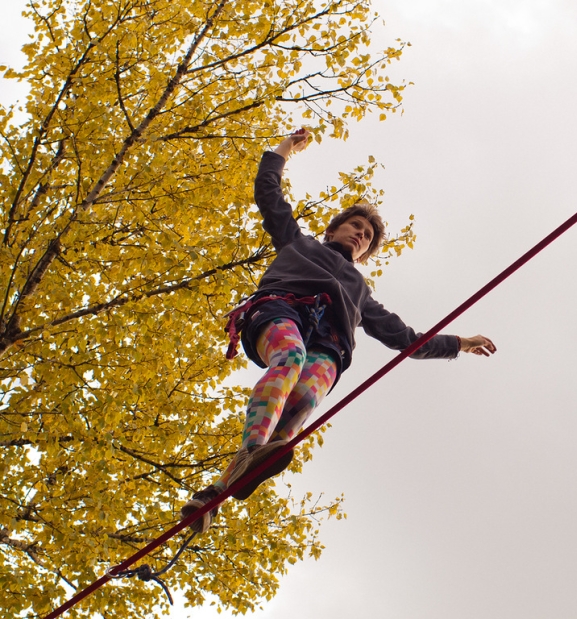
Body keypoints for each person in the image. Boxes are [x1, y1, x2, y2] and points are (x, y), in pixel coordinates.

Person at [181, 129, 496, 532]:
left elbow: (406, 340)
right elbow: (268, 194)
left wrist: (458, 344)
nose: (360, 233)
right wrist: (283, 151)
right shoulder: (299, 245)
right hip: (282, 312)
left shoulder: (360, 293)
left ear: (365, 253)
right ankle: (250, 450)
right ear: (333, 231)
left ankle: (216, 495)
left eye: (367, 235)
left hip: (330, 347)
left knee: (299, 408)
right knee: (290, 357)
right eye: (355, 226)